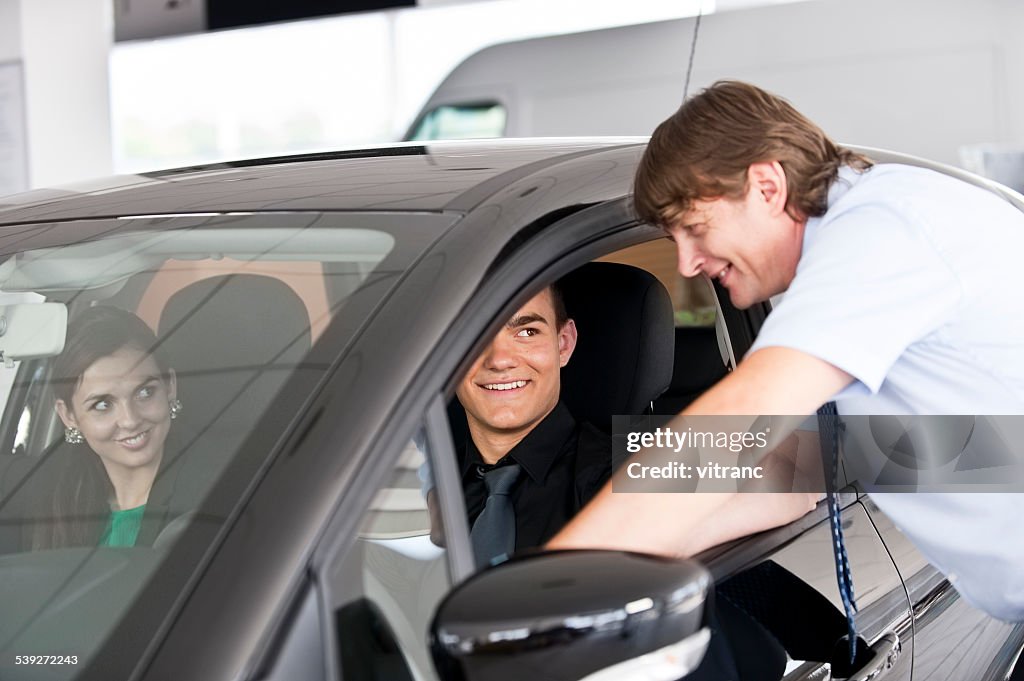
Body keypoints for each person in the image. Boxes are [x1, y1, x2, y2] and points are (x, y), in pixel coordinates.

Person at [549, 80, 1024, 623]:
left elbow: (743, 415)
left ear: (768, 186)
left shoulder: (879, 239)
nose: (685, 264)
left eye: (695, 228)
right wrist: (638, 554)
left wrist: (547, 600)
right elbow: (849, 453)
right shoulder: (888, 224)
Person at [434, 284, 611, 566]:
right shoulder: (424, 481)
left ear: (563, 344)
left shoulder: (633, 466)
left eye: (526, 332)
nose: (500, 360)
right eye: (473, 336)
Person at [31, 306, 183, 549]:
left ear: (170, 387)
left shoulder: (216, 492)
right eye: (103, 404)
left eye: (145, 392)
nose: (130, 420)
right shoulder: (56, 499)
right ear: (68, 415)